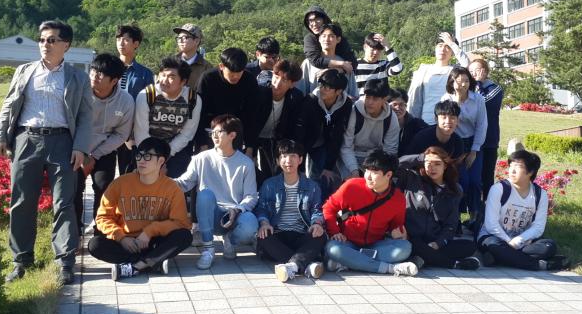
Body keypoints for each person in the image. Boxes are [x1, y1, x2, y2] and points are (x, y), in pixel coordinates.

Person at [0, 20, 92, 286]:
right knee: (22, 201)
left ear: (66, 45)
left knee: (64, 203)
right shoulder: (24, 71)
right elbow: (9, 104)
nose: (45, 44)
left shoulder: (78, 77)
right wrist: (0, 135)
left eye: (51, 40)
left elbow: (86, 116)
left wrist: (80, 147)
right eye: (42, 39)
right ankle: (21, 260)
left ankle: (64, 262)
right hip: (26, 139)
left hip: (63, 142)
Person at [88, 137, 192, 281]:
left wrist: (150, 231)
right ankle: (153, 262)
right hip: (125, 242)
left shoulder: (172, 188)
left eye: (148, 156)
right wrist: (121, 237)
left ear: (161, 161)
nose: (141, 160)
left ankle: (135, 266)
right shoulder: (120, 183)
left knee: (184, 236)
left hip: (153, 242)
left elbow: (181, 223)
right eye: (139, 155)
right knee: (95, 244)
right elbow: (102, 217)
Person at [175, 115, 259, 270]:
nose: (214, 135)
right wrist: (162, 181)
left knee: (250, 222)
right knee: (205, 194)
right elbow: (184, 183)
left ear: (232, 135)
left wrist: (238, 209)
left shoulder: (246, 163)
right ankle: (208, 249)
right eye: (212, 132)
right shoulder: (201, 158)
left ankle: (230, 240)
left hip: (234, 215)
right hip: (211, 215)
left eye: (218, 132)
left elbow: (251, 196)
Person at [322, 150, 418, 276]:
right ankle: (389, 268)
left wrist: (399, 234)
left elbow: (396, 225)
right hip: (347, 243)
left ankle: (350, 262)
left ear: (388, 175)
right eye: (367, 171)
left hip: (376, 245)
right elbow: (328, 208)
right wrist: (335, 232)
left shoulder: (398, 198)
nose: (368, 176)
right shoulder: (351, 186)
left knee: (405, 247)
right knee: (333, 248)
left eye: (374, 172)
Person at [478, 150, 567, 271]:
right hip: (495, 237)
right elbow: (491, 224)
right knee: (493, 246)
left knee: (548, 246)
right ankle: (541, 265)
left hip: (523, 241)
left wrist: (519, 240)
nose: (512, 171)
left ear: (530, 172)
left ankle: (499, 258)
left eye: (518, 167)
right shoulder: (498, 189)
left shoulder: (540, 194)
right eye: (511, 166)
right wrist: (509, 241)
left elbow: (538, 227)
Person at [76, 54, 134, 234]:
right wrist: (82, 153)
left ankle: (100, 230)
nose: (94, 76)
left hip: (104, 150)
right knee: (74, 188)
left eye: (101, 74)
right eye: (93, 71)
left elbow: (121, 134)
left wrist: (95, 156)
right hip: (77, 148)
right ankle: (75, 231)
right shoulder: (79, 93)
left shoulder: (125, 101)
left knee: (104, 187)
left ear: (114, 80)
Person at [254, 140, 327, 282]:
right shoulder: (269, 185)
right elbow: (261, 209)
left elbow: (317, 210)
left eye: (293, 156)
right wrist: (264, 223)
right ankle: (306, 264)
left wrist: (317, 223)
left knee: (320, 235)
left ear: (300, 159)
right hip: (278, 234)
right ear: (277, 161)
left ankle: (292, 266)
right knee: (263, 236)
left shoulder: (312, 186)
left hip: (301, 234)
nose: (288, 160)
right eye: (283, 156)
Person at [398, 148, 479, 270]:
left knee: (470, 246)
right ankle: (455, 264)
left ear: (445, 166)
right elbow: (395, 165)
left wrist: (438, 243)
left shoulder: (454, 190)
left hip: (433, 240)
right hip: (411, 237)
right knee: (415, 245)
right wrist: (420, 157)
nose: (432, 168)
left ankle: (423, 258)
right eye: (428, 163)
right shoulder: (413, 178)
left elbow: (451, 224)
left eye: (437, 164)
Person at [132, 57, 202, 178]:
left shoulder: (193, 99)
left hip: (175, 149)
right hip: (145, 146)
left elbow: (187, 133)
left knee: (176, 181)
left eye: (171, 77)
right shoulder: (147, 95)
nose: (164, 80)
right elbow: (141, 132)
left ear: (183, 81)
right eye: (163, 75)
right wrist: (152, 158)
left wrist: (164, 156)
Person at [294, 69, 354, 195]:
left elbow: (338, 134)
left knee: (323, 176)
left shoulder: (346, 104)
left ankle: (321, 203)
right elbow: (300, 132)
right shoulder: (310, 100)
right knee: (300, 176)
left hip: (324, 144)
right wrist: (299, 164)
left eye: (327, 87)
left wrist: (328, 166)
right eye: (321, 85)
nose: (322, 89)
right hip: (305, 141)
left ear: (338, 91)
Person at [196, 48, 261, 156]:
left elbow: (252, 116)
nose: (235, 77)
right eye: (231, 73)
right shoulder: (208, 79)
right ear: (221, 66)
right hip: (210, 132)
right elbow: (199, 114)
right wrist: (202, 144)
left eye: (239, 73)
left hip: (235, 134)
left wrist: (250, 148)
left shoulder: (249, 80)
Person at [443, 67, 487, 225]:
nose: (463, 85)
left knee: (475, 181)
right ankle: (456, 215)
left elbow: (482, 125)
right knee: (461, 180)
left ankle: (474, 215)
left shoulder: (478, 99)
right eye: (459, 81)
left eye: (466, 81)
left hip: (473, 143)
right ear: (451, 82)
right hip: (454, 144)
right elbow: (444, 124)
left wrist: (474, 151)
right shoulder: (447, 99)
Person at [338, 80, 400, 179]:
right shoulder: (354, 112)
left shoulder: (391, 118)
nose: (370, 102)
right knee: (351, 183)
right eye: (367, 97)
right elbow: (346, 146)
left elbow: (390, 150)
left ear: (385, 99)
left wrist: (377, 170)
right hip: (351, 155)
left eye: (375, 99)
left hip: (376, 158)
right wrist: (354, 171)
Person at [255, 59, 304, 181]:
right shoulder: (260, 92)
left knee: (274, 173)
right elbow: (249, 122)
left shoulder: (295, 98)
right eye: (276, 77)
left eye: (285, 80)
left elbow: (291, 128)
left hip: (274, 138)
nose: (277, 83)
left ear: (292, 84)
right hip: (253, 135)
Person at [115, 25, 154, 173]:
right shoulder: (108, 69)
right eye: (118, 39)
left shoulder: (145, 74)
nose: (121, 43)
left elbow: (149, 105)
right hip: (107, 128)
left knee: (127, 172)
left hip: (131, 130)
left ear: (136, 44)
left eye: (125, 40)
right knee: (103, 177)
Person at [468, 57, 504, 199]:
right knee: (473, 177)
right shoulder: (469, 89)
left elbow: (481, 102)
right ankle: (473, 206)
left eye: (477, 70)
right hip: (472, 138)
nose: (474, 74)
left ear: (485, 71)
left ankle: (488, 206)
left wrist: (478, 83)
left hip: (489, 140)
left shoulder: (495, 88)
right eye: (471, 71)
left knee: (487, 176)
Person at [298, 22, 358, 98]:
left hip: (340, 104)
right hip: (313, 104)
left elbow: (353, 93)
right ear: (319, 39)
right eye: (323, 36)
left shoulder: (345, 64)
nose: (326, 39)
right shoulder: (308, 63)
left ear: (338, 39)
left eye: (331, 36)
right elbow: (301, 90)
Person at [407, 32, 457, 123]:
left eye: (448, 47)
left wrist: (452, 43)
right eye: (440, 45)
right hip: (426, 120)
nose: (443, 49)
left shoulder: (456, 71)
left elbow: (468, 65)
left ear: (453, 51)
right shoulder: (424, 70)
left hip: (448, 122)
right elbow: (413, 99)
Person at [302, 5, 357, 73]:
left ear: (325, 20)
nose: (314, 24)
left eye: (317, 19)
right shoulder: (310, 39)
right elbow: (315, 60)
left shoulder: (338, 38)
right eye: (310, 21)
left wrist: (337, 71)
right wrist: (341, 64)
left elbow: (353, 63)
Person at [174, 23, 214, 89]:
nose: (180, 40)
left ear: (196, 41)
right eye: (179, 37)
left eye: (185, 37)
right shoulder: (171, 63)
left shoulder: (206, 67)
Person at [387, 88, 428, 153]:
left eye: (401, 104)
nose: (398, 108)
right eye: (394, 104)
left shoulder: (417, 125)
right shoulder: (382, 123)